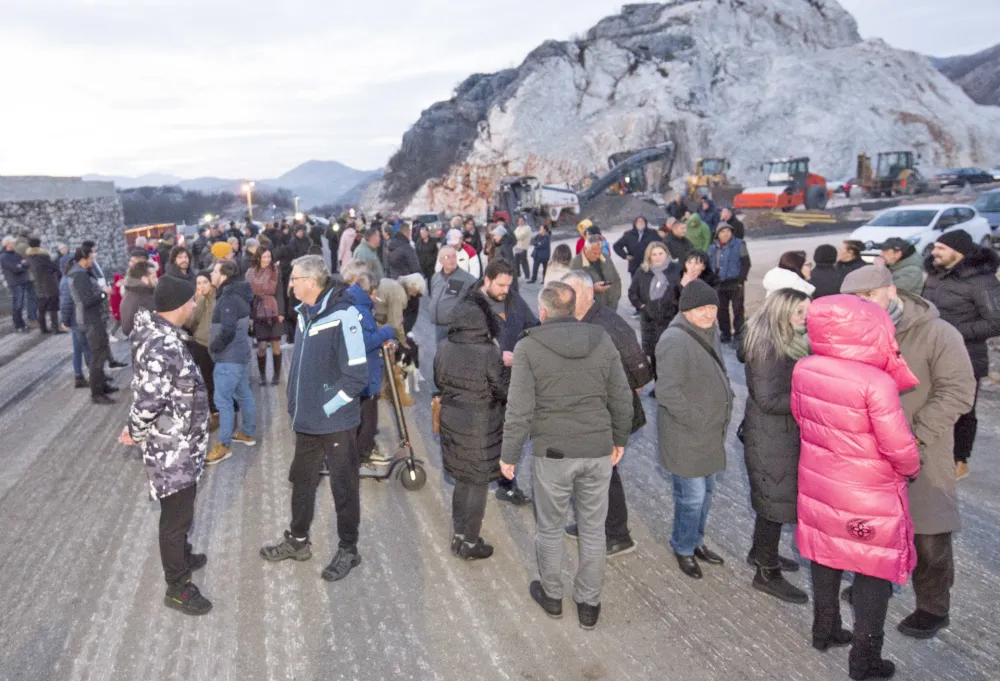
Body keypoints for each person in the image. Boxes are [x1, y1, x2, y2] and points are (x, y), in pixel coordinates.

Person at [841, 265, 975, 640]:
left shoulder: (937, 332)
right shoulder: (853, 335)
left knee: (929, 533)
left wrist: (914, 436)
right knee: (876, 528)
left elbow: (958, 390)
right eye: (855, 300)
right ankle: (877, 584)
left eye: (869, 296)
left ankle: (933, 607)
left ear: (892, 291)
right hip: (871, 452)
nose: (864, 306)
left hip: (923, 449)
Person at [791, 295, 920, 680]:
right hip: (868, 490)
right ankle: (865, 660)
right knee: (873, 568)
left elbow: (801, 417)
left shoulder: (805, 367)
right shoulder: (876, 382)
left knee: (826, 553)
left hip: (819, 481)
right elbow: (898, 446)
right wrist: (912, 468)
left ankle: (825, 629)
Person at [501, 282, 632, 630]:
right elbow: (621, 396)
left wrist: (508, 455)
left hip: (554, 454)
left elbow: (519, 409)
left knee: (550, 529)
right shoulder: (602, 340)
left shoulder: (528, 347)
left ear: (543, 312)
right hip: (597, 450)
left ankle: (553, 596)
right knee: (593, 530)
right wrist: (619, 438)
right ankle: (589, 604)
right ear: (573, 309)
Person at [260, 255, 369, 582]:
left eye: (293, 279)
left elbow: (357, 376)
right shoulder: (305, 314)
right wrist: (297, 404)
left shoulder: (345, 315)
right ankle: (297, 540)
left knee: (343, 486)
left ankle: (349, 549)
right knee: (302, 480)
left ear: (310, 282)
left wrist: (327, 408)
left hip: (335, 423)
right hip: (307, 421)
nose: (289, 284)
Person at [119, 276, 212, 615]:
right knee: (176, 518)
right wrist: (135, 430)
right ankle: (177, 586)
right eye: (192, 301)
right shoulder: (163, 344)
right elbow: (148, 398)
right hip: (172, 447)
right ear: (179, 305)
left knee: (182, 513)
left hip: (180, 441)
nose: (194, 306)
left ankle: (182, 556)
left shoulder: (159, 333)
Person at [563, 271, 652, 557]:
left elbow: (640, 371)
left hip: (607, 415)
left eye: (572, 292)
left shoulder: (607, 325)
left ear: (589, 293)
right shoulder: (573, 321)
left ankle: (617, 534)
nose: (566, 298)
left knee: (603, 475)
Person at [738, 289, 812, 604]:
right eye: (798, 312)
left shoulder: (787, 340)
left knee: (774, 498)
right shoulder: (768, 347)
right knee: (775, 502)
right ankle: (766, 573)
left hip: (779, 434)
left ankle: (760, 551)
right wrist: (809, 400)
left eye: (807, 312)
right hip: (771, 437)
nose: (804, 318)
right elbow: (768, 400)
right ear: (781, 312)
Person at [655, 280, 733, 579]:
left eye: (712, 307)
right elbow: (667, 392)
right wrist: (698, 418)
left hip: (709, 433)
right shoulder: (674, 340)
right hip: (686, 435)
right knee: (692, 497)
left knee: (707, 492)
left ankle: (696, 541)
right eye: (701, 309)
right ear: (687, 310)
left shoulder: (708, 331)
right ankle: (684, 547)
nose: (708, 314)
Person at [435, 287, 511, 560]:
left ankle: (458, 535)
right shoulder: (488, 352)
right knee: (477, 481)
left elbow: (438, 381)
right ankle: (470, 542)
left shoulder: (444, 346)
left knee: (461, 478)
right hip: (480, 423)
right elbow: (502, 390)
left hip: (451, 419)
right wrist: (508, 368)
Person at [922, 230, 1000, 480]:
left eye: (941, 248)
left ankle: (960, 460)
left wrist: (953, 331)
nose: (934, 252)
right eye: (935, 247)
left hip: (966, 355)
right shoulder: (935, 275)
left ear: (958, 252)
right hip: (931, 353)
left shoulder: (982, 281)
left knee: (963, 409)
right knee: (930, 404)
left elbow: (996, 321)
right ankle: (933, 455)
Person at [479, 259, 539, 505]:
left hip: (512, 378)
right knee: (486, 431)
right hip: (484, 379)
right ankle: (478, 480)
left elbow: (532, 327)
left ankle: (506, 484)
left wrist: (525, 351)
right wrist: (496, 355)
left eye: (509, 285)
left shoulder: (513, 299)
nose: (506, 290)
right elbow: (462, 344)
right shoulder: (472, 304)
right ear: (487, 280)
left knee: (509, 431)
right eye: (501, 285)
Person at [341, 261, 396, 463]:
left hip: (361, 371)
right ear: (369, 291)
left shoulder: (355, 304)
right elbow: (363, 342)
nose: (375, 296)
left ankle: (359, 450)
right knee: (368, 418)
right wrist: (386, 332)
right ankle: (363, 453)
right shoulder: (360, 310)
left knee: (363, 416)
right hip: (365, 372)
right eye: (374, 293)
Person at [206, 260, 257, 464]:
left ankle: (223, 445)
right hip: (240, 355)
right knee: (244, 393)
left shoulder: (228, 298)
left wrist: (214, 347)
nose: (211, 274)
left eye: (214, 271)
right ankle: (247, 432)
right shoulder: (239, 294)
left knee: (223, 401)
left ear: (224, 275)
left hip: (229, 359)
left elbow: (227, 330)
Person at [68, 246, 115, 404]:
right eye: (91, 258)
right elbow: (86, 301)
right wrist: (104, 293)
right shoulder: (79, 276)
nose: (93, 261)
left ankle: (103, 385)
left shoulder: (80, 272)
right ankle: (97, 393)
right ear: (83, 259)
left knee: (101, 352)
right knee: (97, 356)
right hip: (91, 320)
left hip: (94, 318)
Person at [628, 242, 681, 382]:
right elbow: (632, 292)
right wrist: (642, 306)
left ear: (667, 254)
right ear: (649, 256)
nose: (658, 257)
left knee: (672, 354)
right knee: (655, 355)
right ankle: (659, 386)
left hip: (671, 320)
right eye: (654, 254)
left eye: (661, 253)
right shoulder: (642, 271)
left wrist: (675, 307)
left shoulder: (676, 270)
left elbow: (683, 293)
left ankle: (674, 385)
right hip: (650, 321)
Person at [183, 270, 219, 431]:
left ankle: (227, 413)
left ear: (211, 283)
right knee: (208, 382)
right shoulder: (200, 299)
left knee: (220, 382)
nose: (201, 286)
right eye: (198, 283)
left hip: (215, 346)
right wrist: (194, 304)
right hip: (201, 345)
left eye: (205, 282)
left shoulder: (217, 299)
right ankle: (214, 413)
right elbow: (190, 323)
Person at [246, 247, 286, 386]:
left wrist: (281, 312)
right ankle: (262, 375)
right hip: (258, 311)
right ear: (258, 258)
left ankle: (276, 375)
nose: (267, 260)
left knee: (276, 345)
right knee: (262, 346)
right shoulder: (250, 273)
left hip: (274, 310)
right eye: (264, 257)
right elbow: (248, 296)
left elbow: (280, 292)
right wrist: (250, 316)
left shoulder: (275, 271)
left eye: (269, 257)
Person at [707, 223, 750, 343]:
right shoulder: (712, 247)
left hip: (735, 282)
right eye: (722, 231)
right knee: (721, 310)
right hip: (719, 283)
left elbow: (746, 263)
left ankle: (739, 333)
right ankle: (725, 333)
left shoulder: (739, 244)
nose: (726, 234)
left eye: (728, 231)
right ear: (718, 234)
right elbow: (709, 265)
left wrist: (741, 280)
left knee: (738, 309)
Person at [428, 246, 476, 343]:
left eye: (453, 256)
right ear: (440, 261)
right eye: (447, 257)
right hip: (439, 326)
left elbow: (474, 304)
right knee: (441, 351)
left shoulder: (468, 279)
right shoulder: (435, 277)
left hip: (456, 328)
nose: (451, 259)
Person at [59, 258, 92, 388]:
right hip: (77, 319)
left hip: (76, 319)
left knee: (78, 348)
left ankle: (79, 376)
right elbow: (66, 303)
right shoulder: (69, 280)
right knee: (86, 347)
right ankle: (93, 375)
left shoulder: (68, 279)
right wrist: (65, 321)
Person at [571, 235, 622, 312]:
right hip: (591, 312)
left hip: (611, 309)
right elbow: (573, 290)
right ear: (585, 249)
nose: (597, 256)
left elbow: (616, 279)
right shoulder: (576, 264)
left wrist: (616, 297)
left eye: (599, 252)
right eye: (594, 253)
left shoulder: (606, 258)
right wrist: (593, 289)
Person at [25, 237, 63, 334]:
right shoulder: (43, 256)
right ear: (39, 244)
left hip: (38, 285)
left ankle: (43, 328)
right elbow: (54, 267)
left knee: (41, 309)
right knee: (53, 308)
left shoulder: (29, 257)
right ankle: (55, 328)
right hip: (49, 284)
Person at [613, 216, 662, 281]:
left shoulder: (652, 233)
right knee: (636, 285)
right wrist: (625, 256)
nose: (640, 223)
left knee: (650, 285)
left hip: (650, 265)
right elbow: (616, 246)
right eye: (638, 221)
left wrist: (657, 257)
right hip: (634, 265)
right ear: (635, 223)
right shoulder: (628, 234)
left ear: (645, 223)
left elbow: (661, 245)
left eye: (642, 221)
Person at [1, 236, 32, 333]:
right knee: (17, 304)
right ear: (7, 244)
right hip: (14, 283)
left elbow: (27, 263)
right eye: (12, 243)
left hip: (21, 281)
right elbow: (14, 269)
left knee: (21, 304)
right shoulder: (4, 256)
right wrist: (21, 265)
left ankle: (21, 324)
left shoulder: (16, 254)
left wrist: (21, 265)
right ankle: (18, 325)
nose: (14, 244)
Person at [120, 260, 158, 338]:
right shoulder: (144, 298)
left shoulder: (131, 292)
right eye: (154, 277)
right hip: (148, 340)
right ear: (144, 279)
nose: (157, 280)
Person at [513, 215, 533, 280]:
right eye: (519, 221)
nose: (520, 222)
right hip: (517, 247)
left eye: (521, 221)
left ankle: (527, 275)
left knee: (524, 262)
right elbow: (514, 235)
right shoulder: (518, 227)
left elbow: (520, 237)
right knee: (516, 262)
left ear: (524, 221)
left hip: (523, 247)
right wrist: (516, 236)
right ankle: (518, 274)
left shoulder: (527, 228)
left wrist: (516, 236)